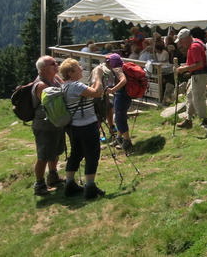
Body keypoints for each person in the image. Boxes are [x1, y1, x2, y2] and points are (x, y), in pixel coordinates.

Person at [58, 58, 105, 199]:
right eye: (79, 67)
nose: (81, 69)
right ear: (71, 72)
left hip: (74, 126)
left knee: (76, 153)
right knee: (92, 154)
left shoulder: (65, 86)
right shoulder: (76, 86)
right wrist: (98, 75)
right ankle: (90, 187)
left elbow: (89, 92)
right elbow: (98, 92)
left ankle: (70, 183)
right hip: (87, 125)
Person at [31, 56, 66, 196]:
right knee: (43, 155)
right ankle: (39, 185)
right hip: (44, 126)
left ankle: (53, 176)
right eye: (53, 64)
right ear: (43, 69)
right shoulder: (41, 85)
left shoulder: (55, 78)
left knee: (56, 152)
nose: (56, 65)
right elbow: (55, 101)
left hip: (56, 123)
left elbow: (64, 88)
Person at [174, 28, 207, 130]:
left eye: (181, 41)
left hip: (199, 75)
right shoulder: (197, 42)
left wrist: (184, 69)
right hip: (198, 75)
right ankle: (188, 120)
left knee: (198, 98)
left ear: (186, 38)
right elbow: (196, 62)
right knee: (190, 96)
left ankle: (205, 120)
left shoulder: (194, 46)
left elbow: (199, 64)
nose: (181, 44)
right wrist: (185, 67)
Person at [99, 54, 135, 153]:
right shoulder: (120, 67)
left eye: (108, 62)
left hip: (122, 96)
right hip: (121, 95)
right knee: (119, 116)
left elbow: (123, 81)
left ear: (113, 62)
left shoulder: (118, 69)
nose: (107, 64)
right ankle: (119, 138)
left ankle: (127, 141)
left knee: (120, 118)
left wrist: (112, 90)